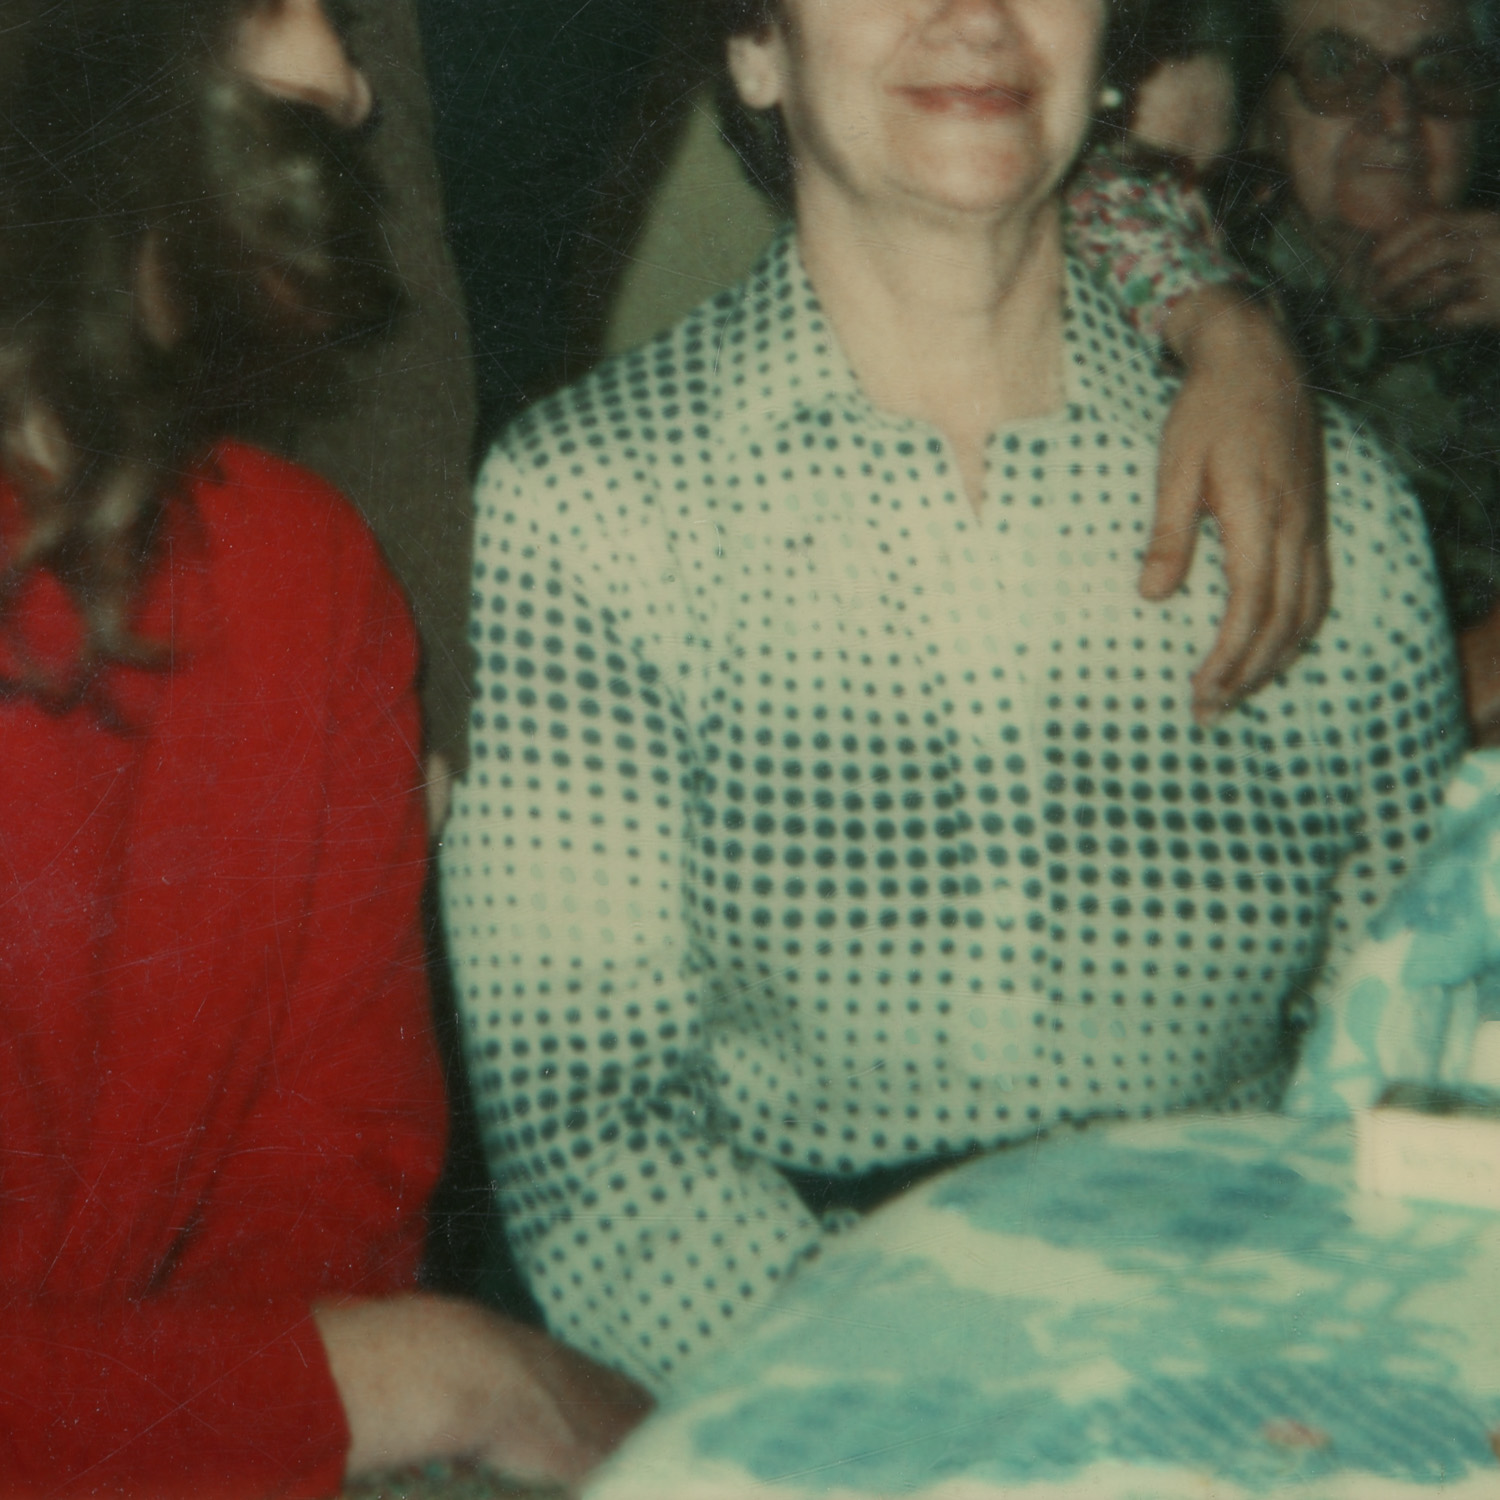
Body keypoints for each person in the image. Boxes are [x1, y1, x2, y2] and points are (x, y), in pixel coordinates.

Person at [442, 0, 1466, 1394]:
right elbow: (596, 1142)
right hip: (799, 1404)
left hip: (1254, 1379)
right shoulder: (587, 510)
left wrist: (1237, 1395)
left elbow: (1417, 1088)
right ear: (756, 48)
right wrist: (939, 1413)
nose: (978, 16)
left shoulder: (1339, 512)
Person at [0, 1, 645, 1494]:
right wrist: (439, 1375)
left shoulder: (316, 585)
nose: (344, 87)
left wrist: (299, 1394)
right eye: (271, 7)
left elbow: (324, 1203)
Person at [1226, 0, 1500, 733]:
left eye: (1442, 73)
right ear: (1263, 114)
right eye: (1336, 68)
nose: (1397, 115)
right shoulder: (1221, 318)